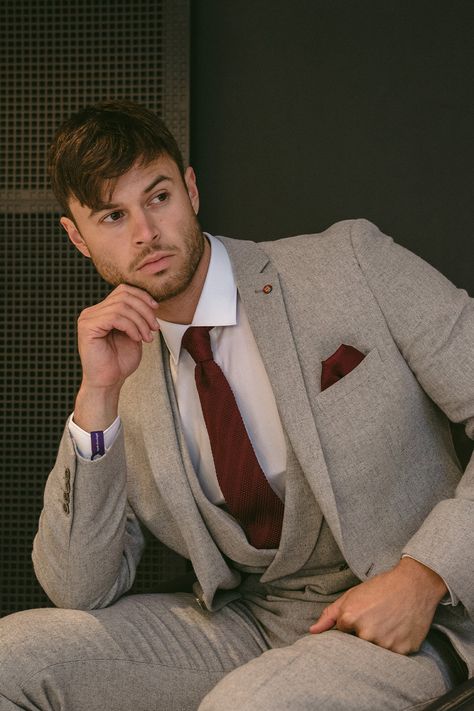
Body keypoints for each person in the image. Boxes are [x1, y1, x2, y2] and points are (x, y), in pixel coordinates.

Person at [0, 100, 472, 711]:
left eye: (159, 197)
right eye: (113, 216)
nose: (145, 232)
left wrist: (425, 574)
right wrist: (98, 398)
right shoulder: (121, 369)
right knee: (11, 657)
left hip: (422, 612)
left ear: (191, 188)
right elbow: (78, 588)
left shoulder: (349, 263)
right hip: (250, 624)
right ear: (77, 237)